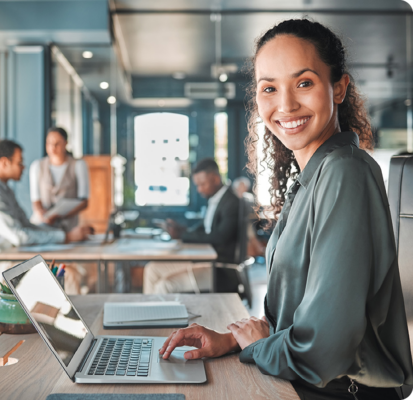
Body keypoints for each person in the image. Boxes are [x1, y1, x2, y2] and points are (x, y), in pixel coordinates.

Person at [159, 19, 413, 400]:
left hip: (337, 392)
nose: (286, 104)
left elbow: (324, 348)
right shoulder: (310, 178)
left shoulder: (345, 172)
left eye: (304, 83)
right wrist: (233, 339)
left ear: (339, 88)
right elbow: (295, 316)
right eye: (269, 88)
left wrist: (257, 347)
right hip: (300, 381)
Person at [0, 140, 89, 289]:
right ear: (4, 163)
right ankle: (60, 312)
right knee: (67, 276)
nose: (23, 167)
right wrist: (67, 237)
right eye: (20, 163)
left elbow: (26, 226)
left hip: (9, 258)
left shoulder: (4, 190)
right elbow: (19, 236)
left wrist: (62, 233)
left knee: (72, 269)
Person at [143, 158, 240, 294]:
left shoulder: (231, 203)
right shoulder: (215, 200)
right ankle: (149, 313)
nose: (199, 190)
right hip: (203, 261)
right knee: (152, 269)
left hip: (219, 269)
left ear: (216, 179)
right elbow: (206, 227)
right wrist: (183, 230)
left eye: (202, 184)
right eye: (197, 185)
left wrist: (183, 235)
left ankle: (160, 314)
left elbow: (220, 237)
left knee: (164, 285)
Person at [30, 127, 90, 232]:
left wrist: (60, 216)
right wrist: (42, 214)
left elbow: (84, 201)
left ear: (66, 143)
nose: (53, 147)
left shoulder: (78, 165)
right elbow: (36, 200)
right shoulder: (37, 166)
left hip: (69, 225)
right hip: (43, 224)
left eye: (57, 143)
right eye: (49, 143)